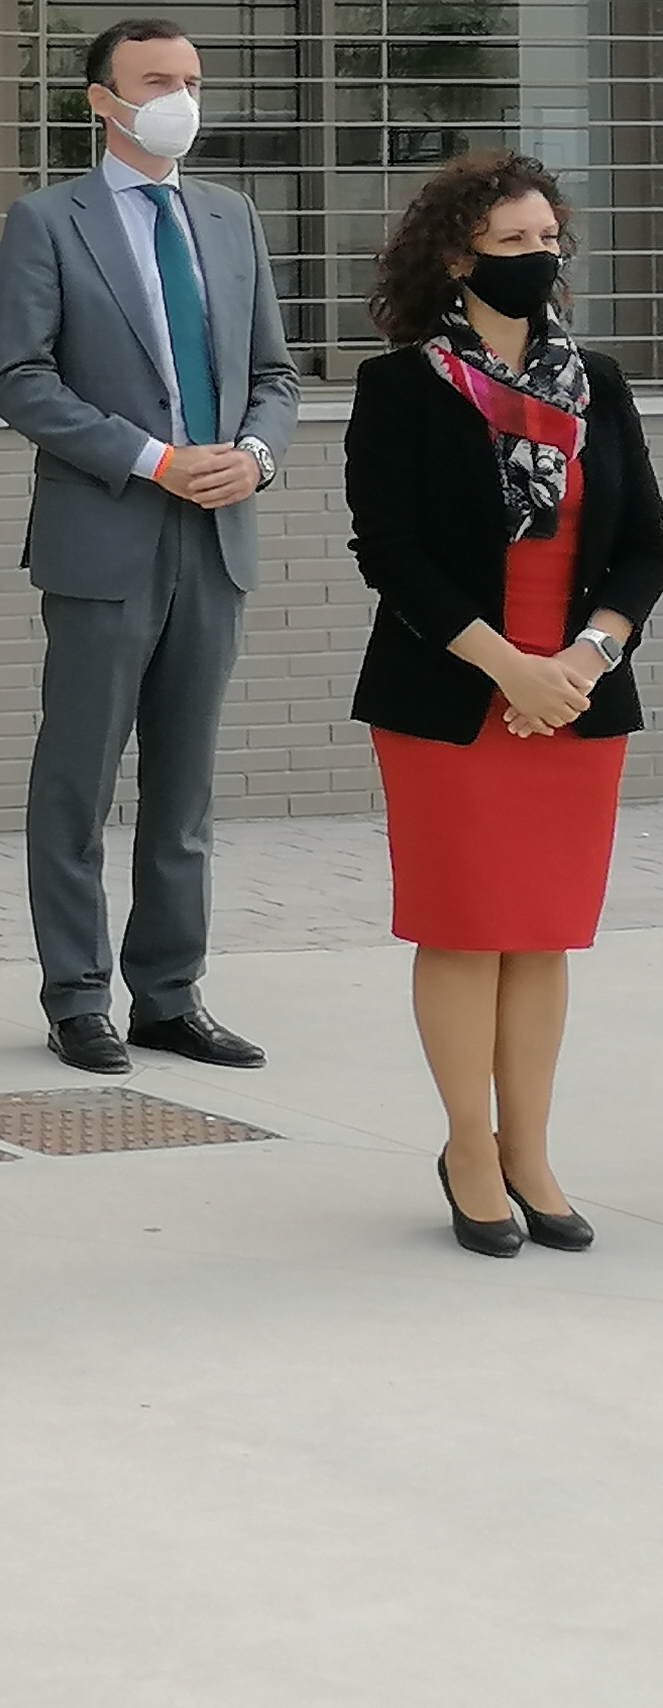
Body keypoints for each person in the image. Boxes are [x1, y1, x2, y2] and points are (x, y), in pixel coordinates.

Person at [343, 153, 662, 1259]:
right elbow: (389, 555)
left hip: (575, 691)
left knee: (540, 937)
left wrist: (582, 656)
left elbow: (642, 545)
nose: (542, 258)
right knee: (467, 928)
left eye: (548, 240)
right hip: (452, 689)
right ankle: (467, 1149)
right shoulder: (400, 388)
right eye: (516, 243)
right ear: (455, 256)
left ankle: (529, 1150)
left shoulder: (600, 383)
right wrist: (507, 669)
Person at [0, 18, 299, 1076]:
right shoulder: (46, 222)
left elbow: (275, 373)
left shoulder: (231, 216)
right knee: (77, 777)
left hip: (216, 534)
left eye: (191, 78)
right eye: (157, 79)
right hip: (106, 532)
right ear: (101, 100)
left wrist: (253, 454)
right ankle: (77, 998)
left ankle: (169, 994)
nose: (180, 96)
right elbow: (19, 379)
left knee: (185, 786)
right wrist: (148, 457)